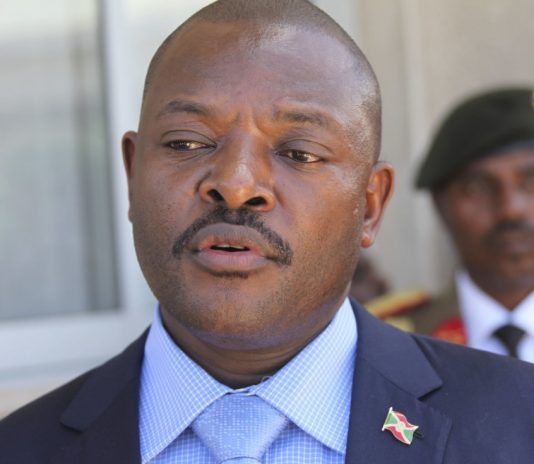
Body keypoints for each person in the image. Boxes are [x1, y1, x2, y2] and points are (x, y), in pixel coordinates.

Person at [2, 2, 534, 462]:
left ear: (370, 206)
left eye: (298, 153)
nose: (236, 186)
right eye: (187, 143)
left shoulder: (519, 425)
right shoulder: (21, 449)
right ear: (132, 174)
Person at [409, 89, 534, 358]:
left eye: (531, 182)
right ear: (440, 205)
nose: (510, 210)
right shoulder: (395, 340)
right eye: (477, 188)